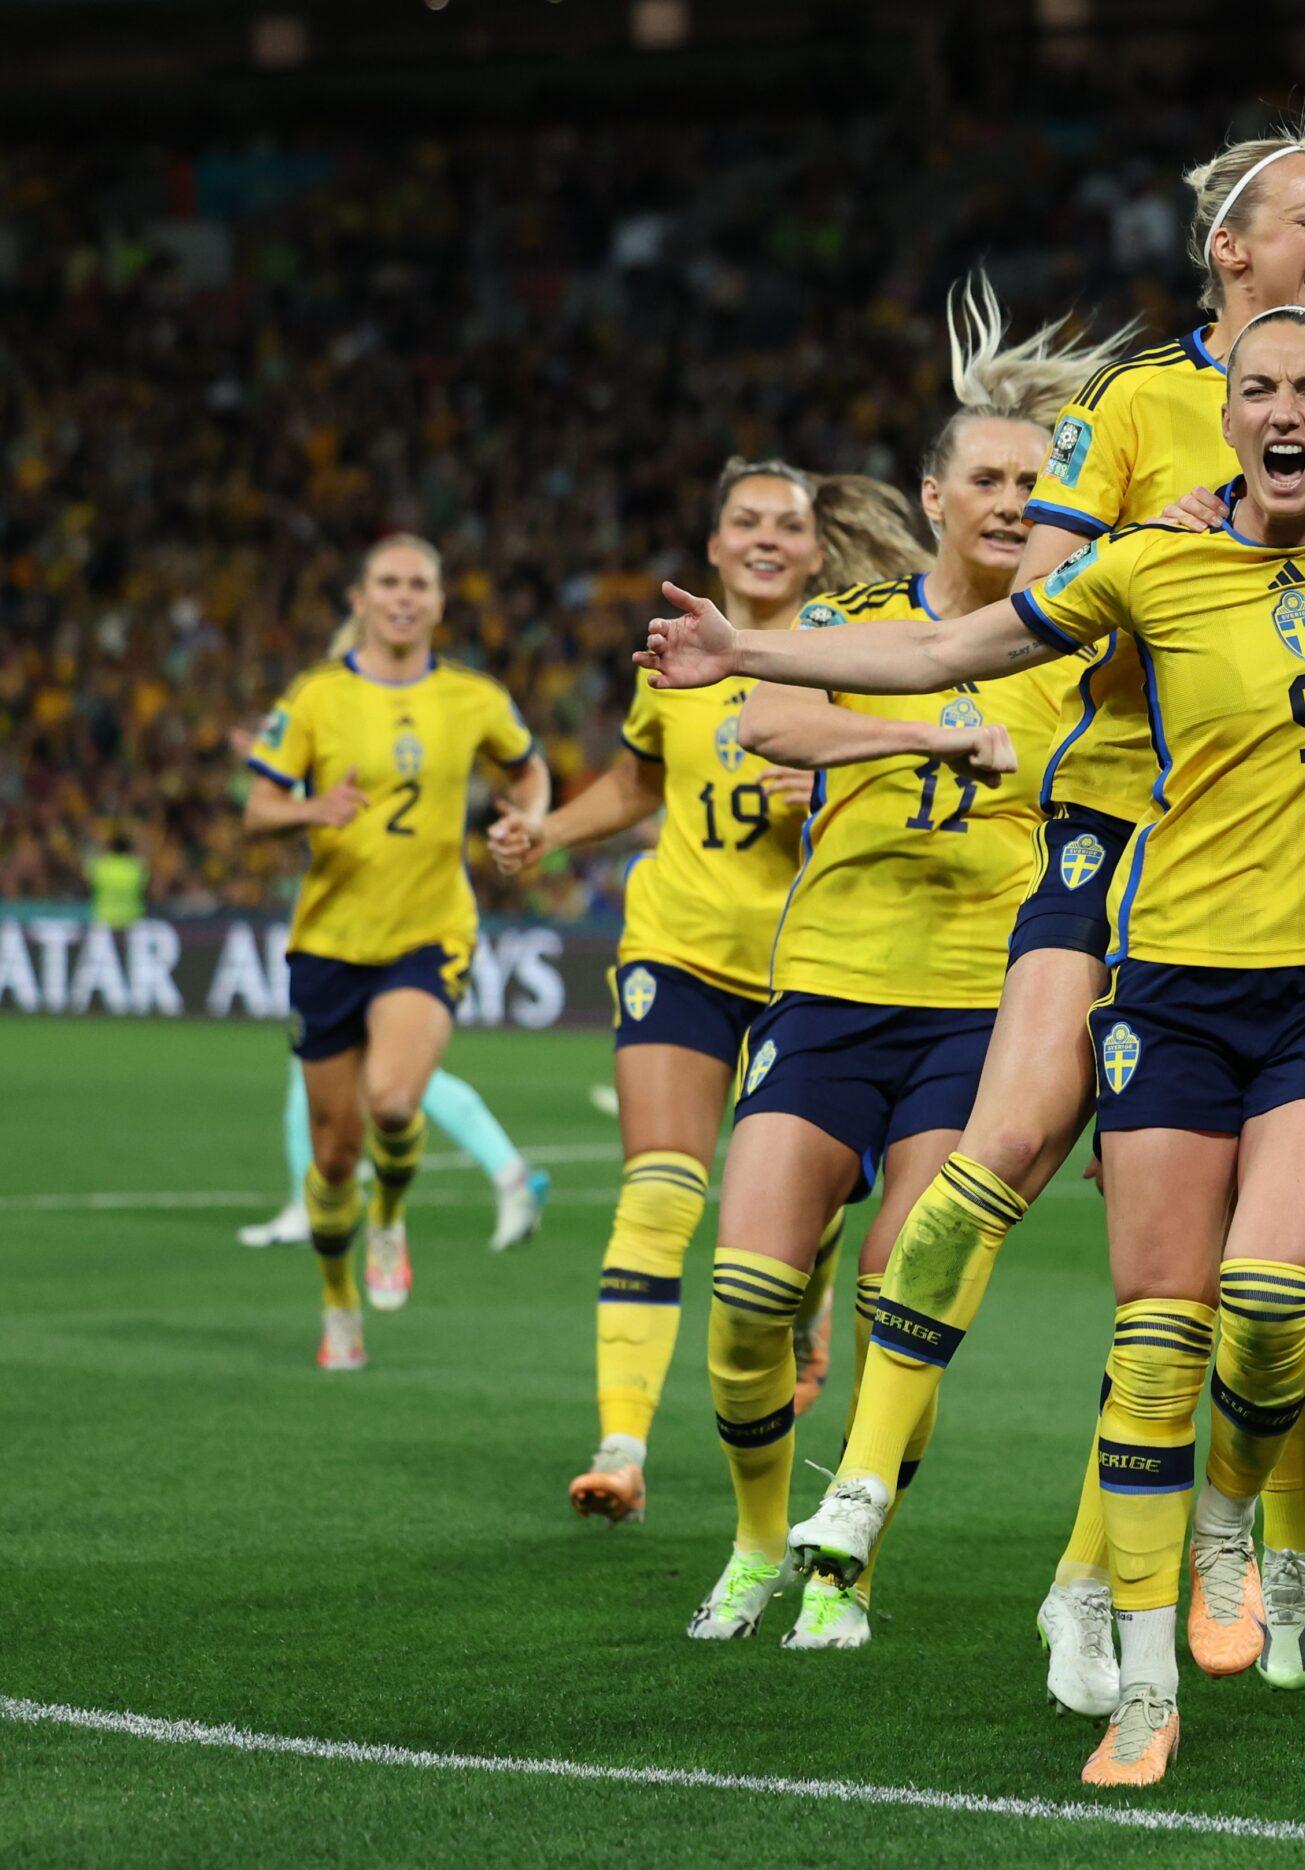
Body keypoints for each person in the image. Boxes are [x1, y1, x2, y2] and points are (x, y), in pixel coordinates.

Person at [642, 306, 1305, 1788]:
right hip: (1169, 983)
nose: (1286, 410)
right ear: (1222, 417)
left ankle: (1230, 1513)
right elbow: (952, 643)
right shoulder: (1149, 558)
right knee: (1158, 1335)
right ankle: (1147, 1688)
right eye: (1260, 390)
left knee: (1273, 1301)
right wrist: (741, 646)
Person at [653, 282, 1116, 1653]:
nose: (1013, 498)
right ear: (933, 496)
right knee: (745, 1296)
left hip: (982, 1009)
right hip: (832, 989)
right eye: (987, 476)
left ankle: (842, 1572)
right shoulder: (859, 621)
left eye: (1037, 480)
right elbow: (768, 726)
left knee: (897, 1295)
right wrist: (929, 736)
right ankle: (752, 1539)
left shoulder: (1088, 650)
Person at [489, 457, 929, 1526]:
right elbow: (642, 777)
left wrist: (830, 783)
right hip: (677, 945)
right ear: (717, 547)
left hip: (808, 964)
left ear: (819, 549)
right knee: (660, 1190)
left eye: (788, 521)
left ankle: (812, 1287)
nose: (768, 536)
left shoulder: (864, 653)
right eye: (746, 521)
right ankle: (621, 1444)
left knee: (801, 1211)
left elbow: (916, 788)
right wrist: (549, 830)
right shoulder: (673, 656)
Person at [240, 535, 550, 1369]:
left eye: (420, 583)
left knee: (393, 1103)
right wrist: (312, 812)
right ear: (362, 599)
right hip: (330, 942)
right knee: (335, 1157)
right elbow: (259, 808)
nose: (404, 596)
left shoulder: (473, 697)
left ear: (439, 602)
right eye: (388, 583)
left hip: (429, 930)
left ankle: (390, 1218)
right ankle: (339, 1305)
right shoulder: (315, 697)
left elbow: (530, 771)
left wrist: (531, 821)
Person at [236, 1065, 549, 1254]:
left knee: (323, 1061)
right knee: (400, 1069)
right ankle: (512, 1174)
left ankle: (311, 1206)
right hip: (394, 960)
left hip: (356, 958)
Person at [85, 832, 145, 929]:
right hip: (131, 919)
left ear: (110, 848)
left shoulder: (100, 866)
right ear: (128, 848)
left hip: (104, 919)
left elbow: (86, 886)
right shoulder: (136, 867)